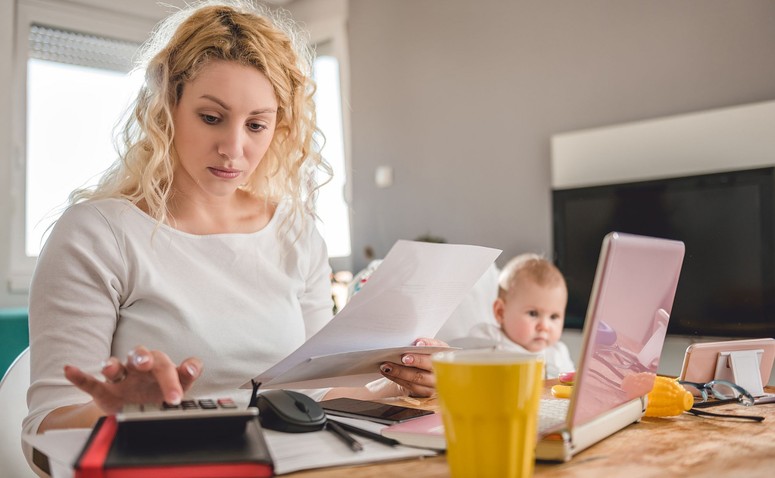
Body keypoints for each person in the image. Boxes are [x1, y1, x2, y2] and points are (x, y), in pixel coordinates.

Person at [23, 0, 443, 454]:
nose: (234, 148)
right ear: (167, 109)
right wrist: (114, 412)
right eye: (211, 117)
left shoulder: (295, 233)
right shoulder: (97, 234)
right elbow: (42, 430)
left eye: (257, 125)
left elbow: (317, 398)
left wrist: (401, 382)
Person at [451, 253, 574, 378]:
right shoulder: (488, 339)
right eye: (533, 313)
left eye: (553, 317)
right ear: (500, 312)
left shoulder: (558, 354)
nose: (544, 326)